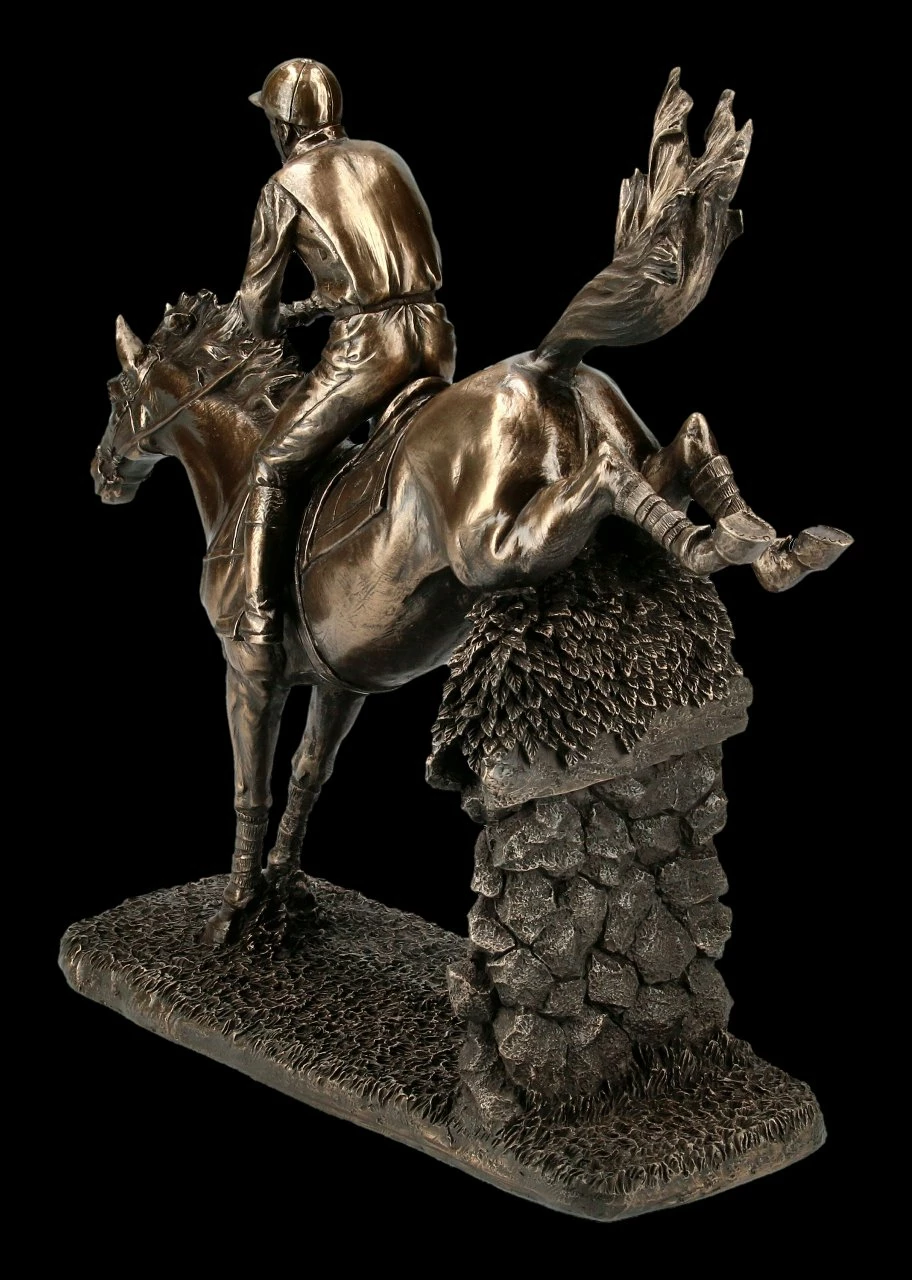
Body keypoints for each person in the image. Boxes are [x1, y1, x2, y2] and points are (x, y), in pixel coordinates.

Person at [237, 58, 456, 653]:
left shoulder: (284, 186)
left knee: (272, 463)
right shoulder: (387, 158)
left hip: (370, 351)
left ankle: (258, 620)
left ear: (283, 126)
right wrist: (330, 299)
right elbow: (414, 254)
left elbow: (256, 309)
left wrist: (292, 316)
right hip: (435, 333)